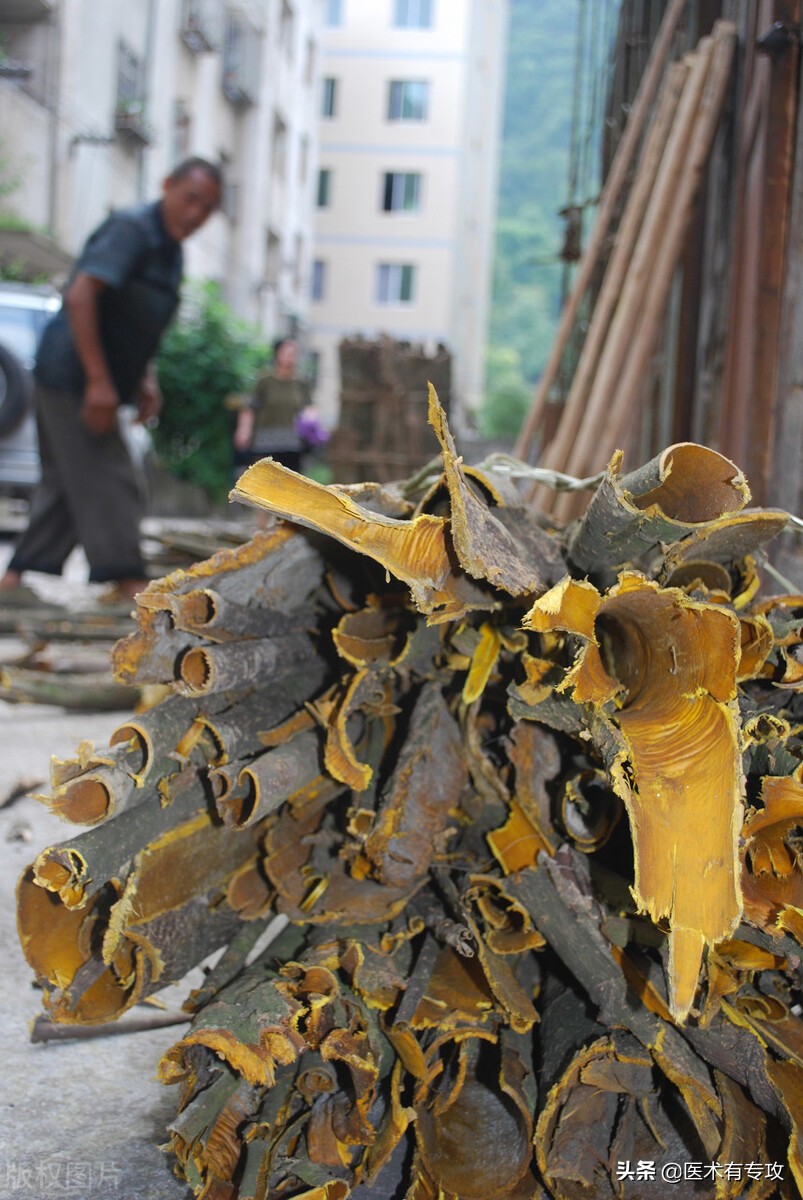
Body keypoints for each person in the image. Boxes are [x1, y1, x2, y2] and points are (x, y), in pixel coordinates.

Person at [0, 156, 223, 602]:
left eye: (207, 209)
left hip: (100, 379)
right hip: (72, 374)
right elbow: (81, 295)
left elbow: (136, 322)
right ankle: (130, 585)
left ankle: (14, 581)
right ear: (168, 186)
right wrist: (99, 382)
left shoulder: (171, 253)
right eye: (191, 199)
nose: (195, 214)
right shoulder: (132, 229)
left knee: (69, 480)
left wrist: (145, 379)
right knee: (112, 476)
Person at [234, 337, 312, 472]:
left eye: (294, 354)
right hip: (265, 442)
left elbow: (308, 407)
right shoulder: (265, 381)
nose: (290, 358)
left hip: (292, 443)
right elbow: (250, 408)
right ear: (277, 354)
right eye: (287, 353)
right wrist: (244, 430)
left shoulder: (301, 383)